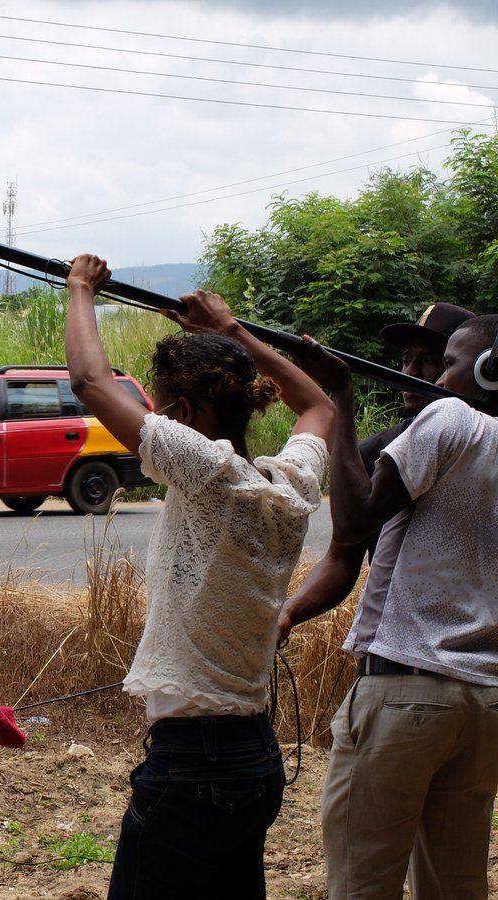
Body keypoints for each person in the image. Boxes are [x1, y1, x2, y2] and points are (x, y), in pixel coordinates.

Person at [64, 254, 334, 900]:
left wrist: (81, 288)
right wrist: (235, 330)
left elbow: (91, 384)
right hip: (250, 756)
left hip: (195, 768)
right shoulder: (288, 482)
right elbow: (319, 404)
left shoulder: (207, 473)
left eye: (160, 410)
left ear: (180, 413)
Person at [295, 315, 498, 900]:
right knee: (456, 885)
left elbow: (356, 516)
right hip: (485, 703)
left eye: (449, 363)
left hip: (409, 690)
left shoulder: (452, 416)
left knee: (363, 882)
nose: (433, 378)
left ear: (488, 372)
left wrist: (340, 393)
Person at [278, 302, 474, 642]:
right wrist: (289, 612)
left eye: (429, 361)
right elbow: (342, 557)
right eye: (406, 359)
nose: (411, 373)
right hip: (394, 650)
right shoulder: (373, 453)